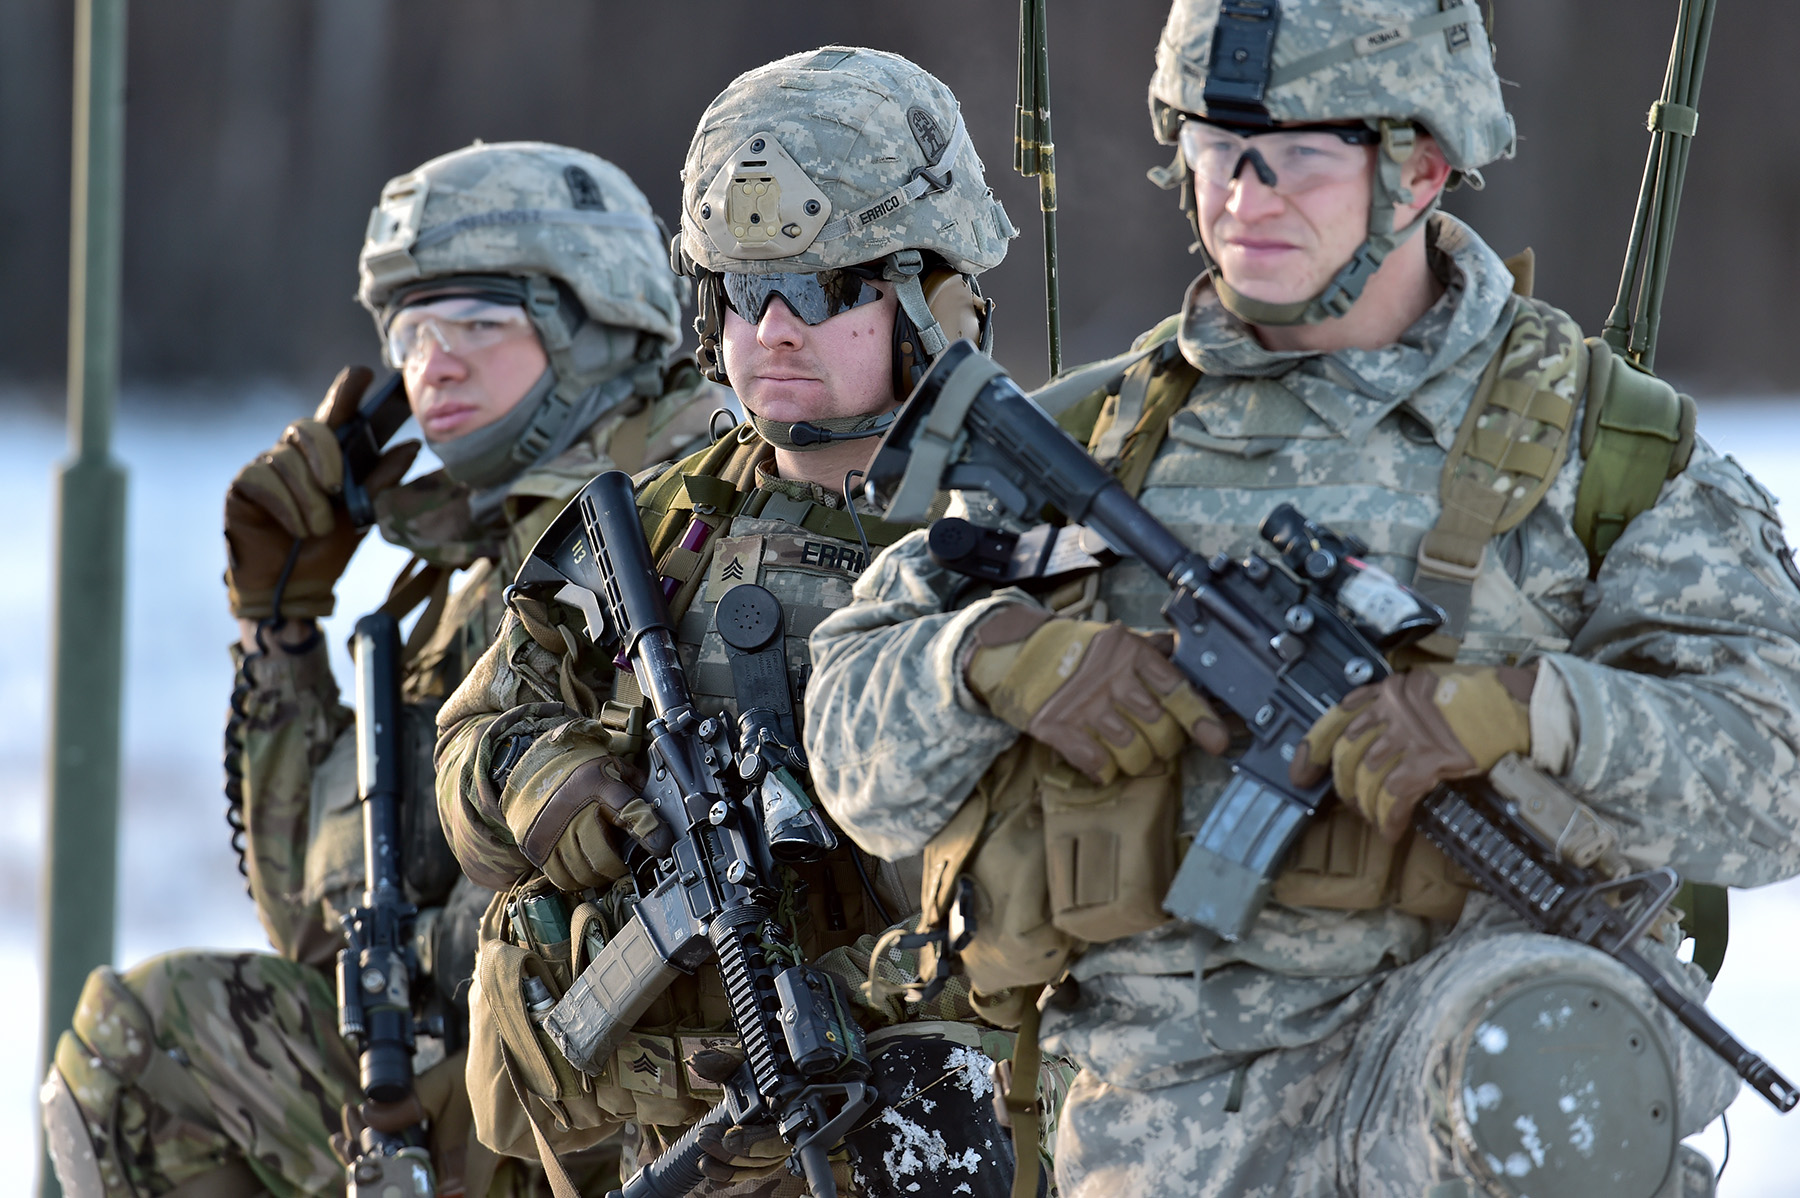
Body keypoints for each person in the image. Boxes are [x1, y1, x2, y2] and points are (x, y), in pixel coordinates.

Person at [801, 3, 1800, 1196]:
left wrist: (1535, 711)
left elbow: (1777, 778)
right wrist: (993, 661)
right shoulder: (1094, 446)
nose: (1244, 195)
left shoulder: (1605, 454)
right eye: (1217, 148)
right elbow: (851, 757)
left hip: (1479, 1101)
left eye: (1298, 154)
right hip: (1160, 1131)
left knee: (1542, 1053)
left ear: (1422, 167)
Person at [431, 47, 1055, 1197]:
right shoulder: (659, 527)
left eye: (820, 291)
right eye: (739, 291)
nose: (772, 329)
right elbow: (478, 738)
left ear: (934, 290)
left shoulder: (1033, 533)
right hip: (658, 1137)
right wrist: (544, 781)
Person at [41, 141, 718, 1198]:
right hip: (485, 1081)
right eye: (409, 332)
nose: (431, 365)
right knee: (143, 1049)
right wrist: (281, 634)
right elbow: (328, 928)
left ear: (603, 321)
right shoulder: (489, 557)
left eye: (478, 325)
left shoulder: (667, 522)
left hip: (626, 1107)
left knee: (147, 1037)